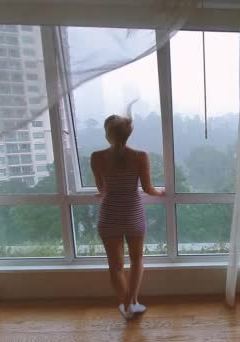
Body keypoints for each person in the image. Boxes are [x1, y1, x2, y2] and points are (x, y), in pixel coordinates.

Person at [90, 114, 165, 320]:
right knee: (137, 260)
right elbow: (148, 189)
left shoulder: (97, 157)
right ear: (128, 133)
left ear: (108, 134)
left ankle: (125, 305)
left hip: (109, 215)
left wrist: (102, 191)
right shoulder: (140, 156)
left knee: (115, 266)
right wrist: (162, 192)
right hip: (132, 213)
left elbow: (101, 187)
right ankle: (132, 303)